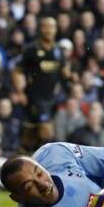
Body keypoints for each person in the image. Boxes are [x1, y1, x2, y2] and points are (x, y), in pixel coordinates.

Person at [15, 17, 71, 151]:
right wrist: (20, 92)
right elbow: (17, 71)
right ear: (40, 29)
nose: (49, 30)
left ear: (56, 30)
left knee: (31, 133)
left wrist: (72, 77)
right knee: (46, 131)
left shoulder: (58, 50)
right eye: (45, 27)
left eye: (52, 27)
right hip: (35, 97)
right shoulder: (31, 49)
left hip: (52, 97)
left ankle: (25, 155)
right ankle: (43, 161)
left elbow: (63, 71)